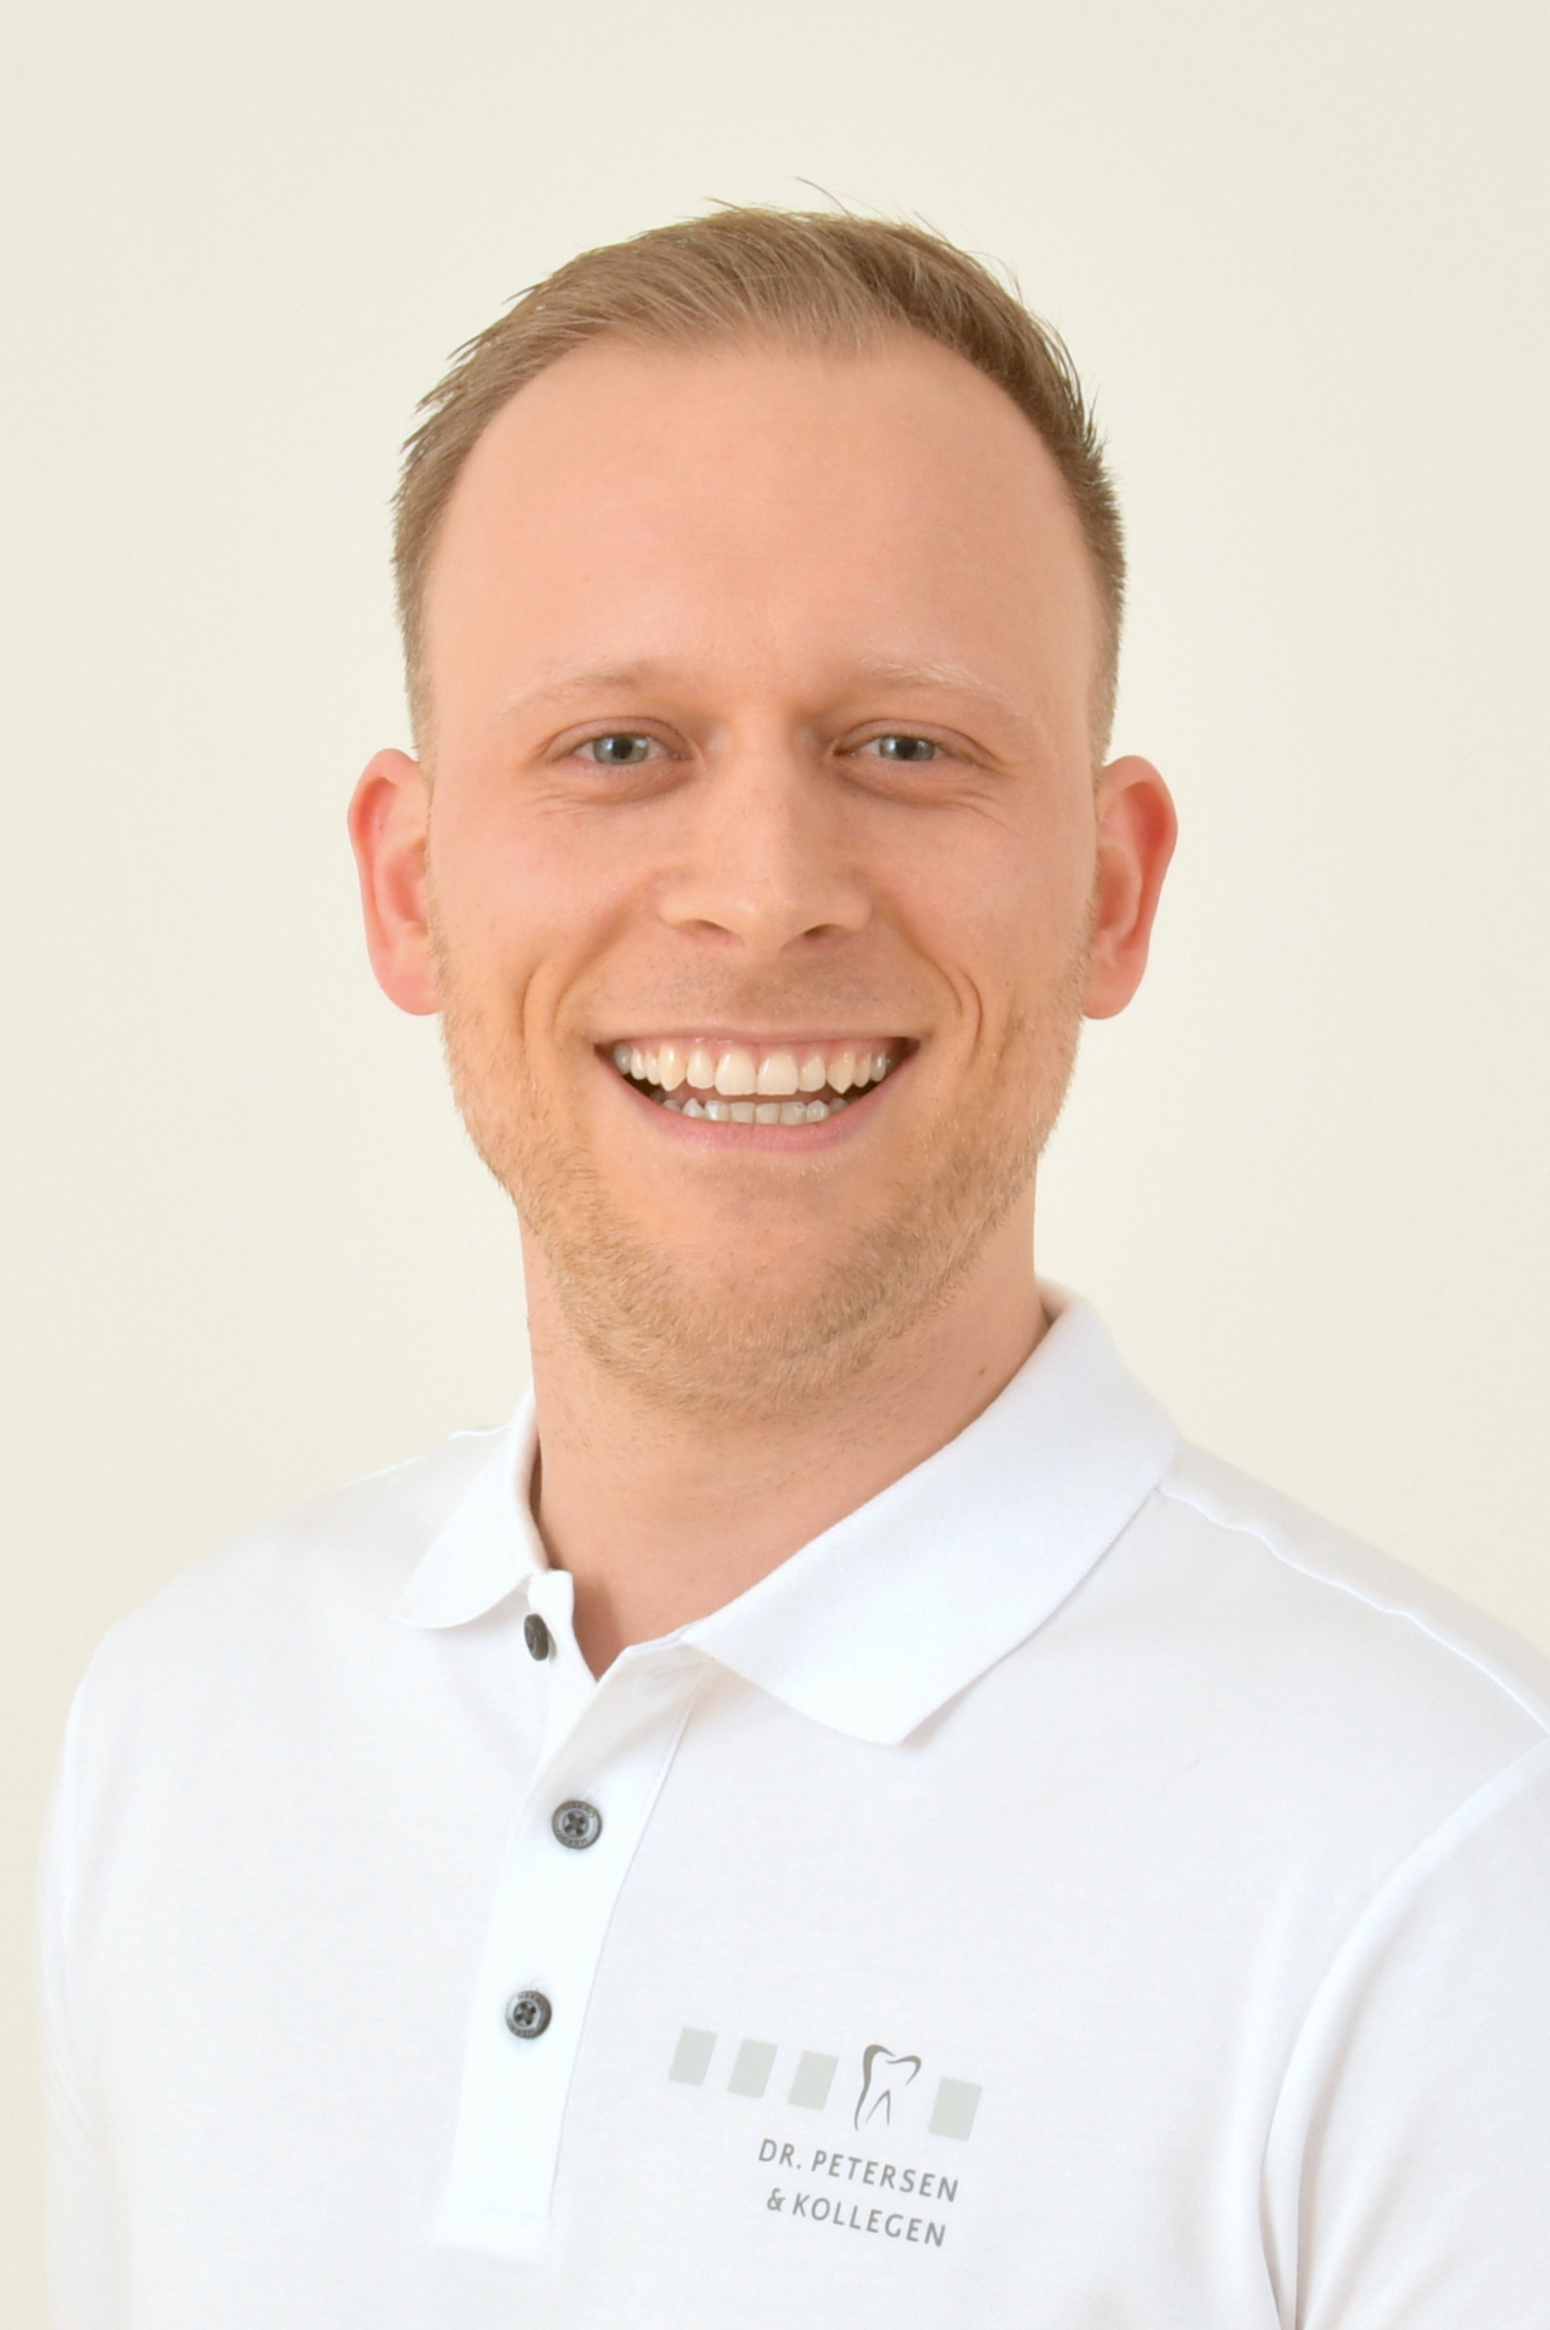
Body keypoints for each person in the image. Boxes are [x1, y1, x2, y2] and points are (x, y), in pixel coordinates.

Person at [38, 208, 1550, 2329]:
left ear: (1109, 893)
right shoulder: (186, 1724)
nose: (761, 895)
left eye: (904, 746)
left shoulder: (1450, 1865)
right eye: (618, 746)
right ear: (409, 886)